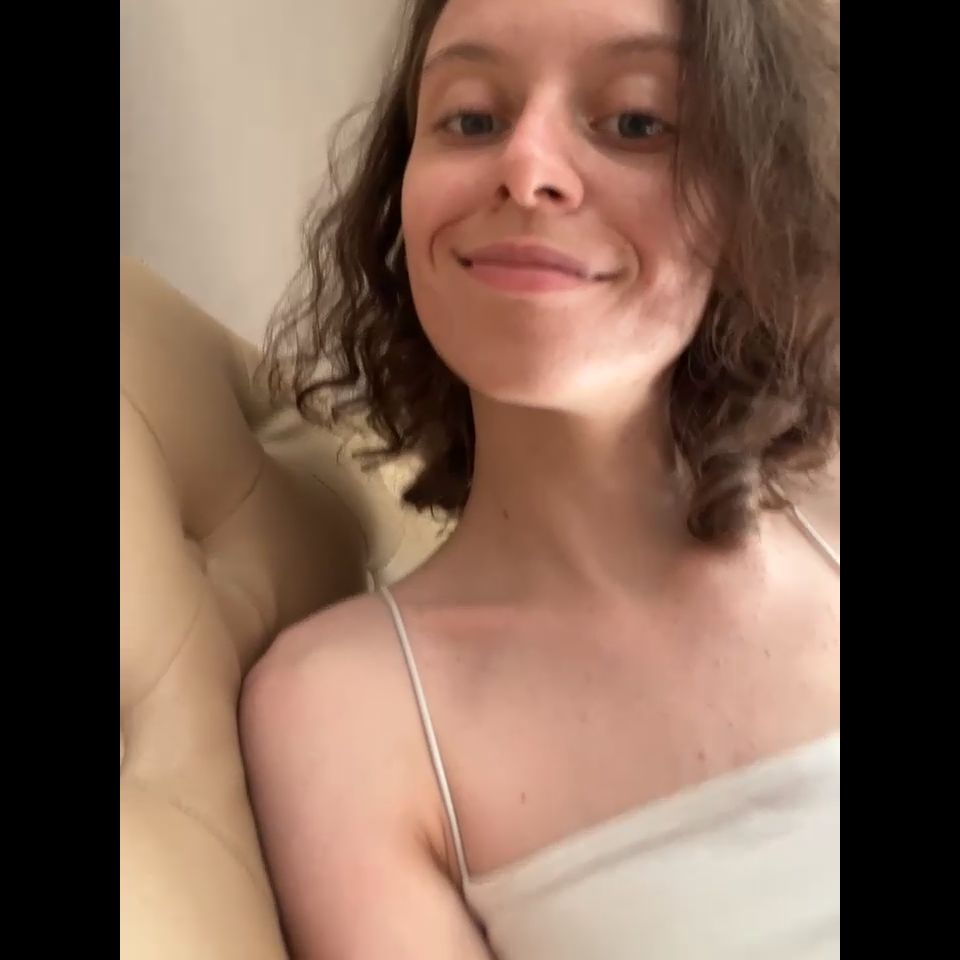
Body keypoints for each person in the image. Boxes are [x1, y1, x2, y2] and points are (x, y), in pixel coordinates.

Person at [241, 0, 840, 955]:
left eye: (637, 121)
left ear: (750, 202)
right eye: (472, 118)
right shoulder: (347, 713)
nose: (525, 168)